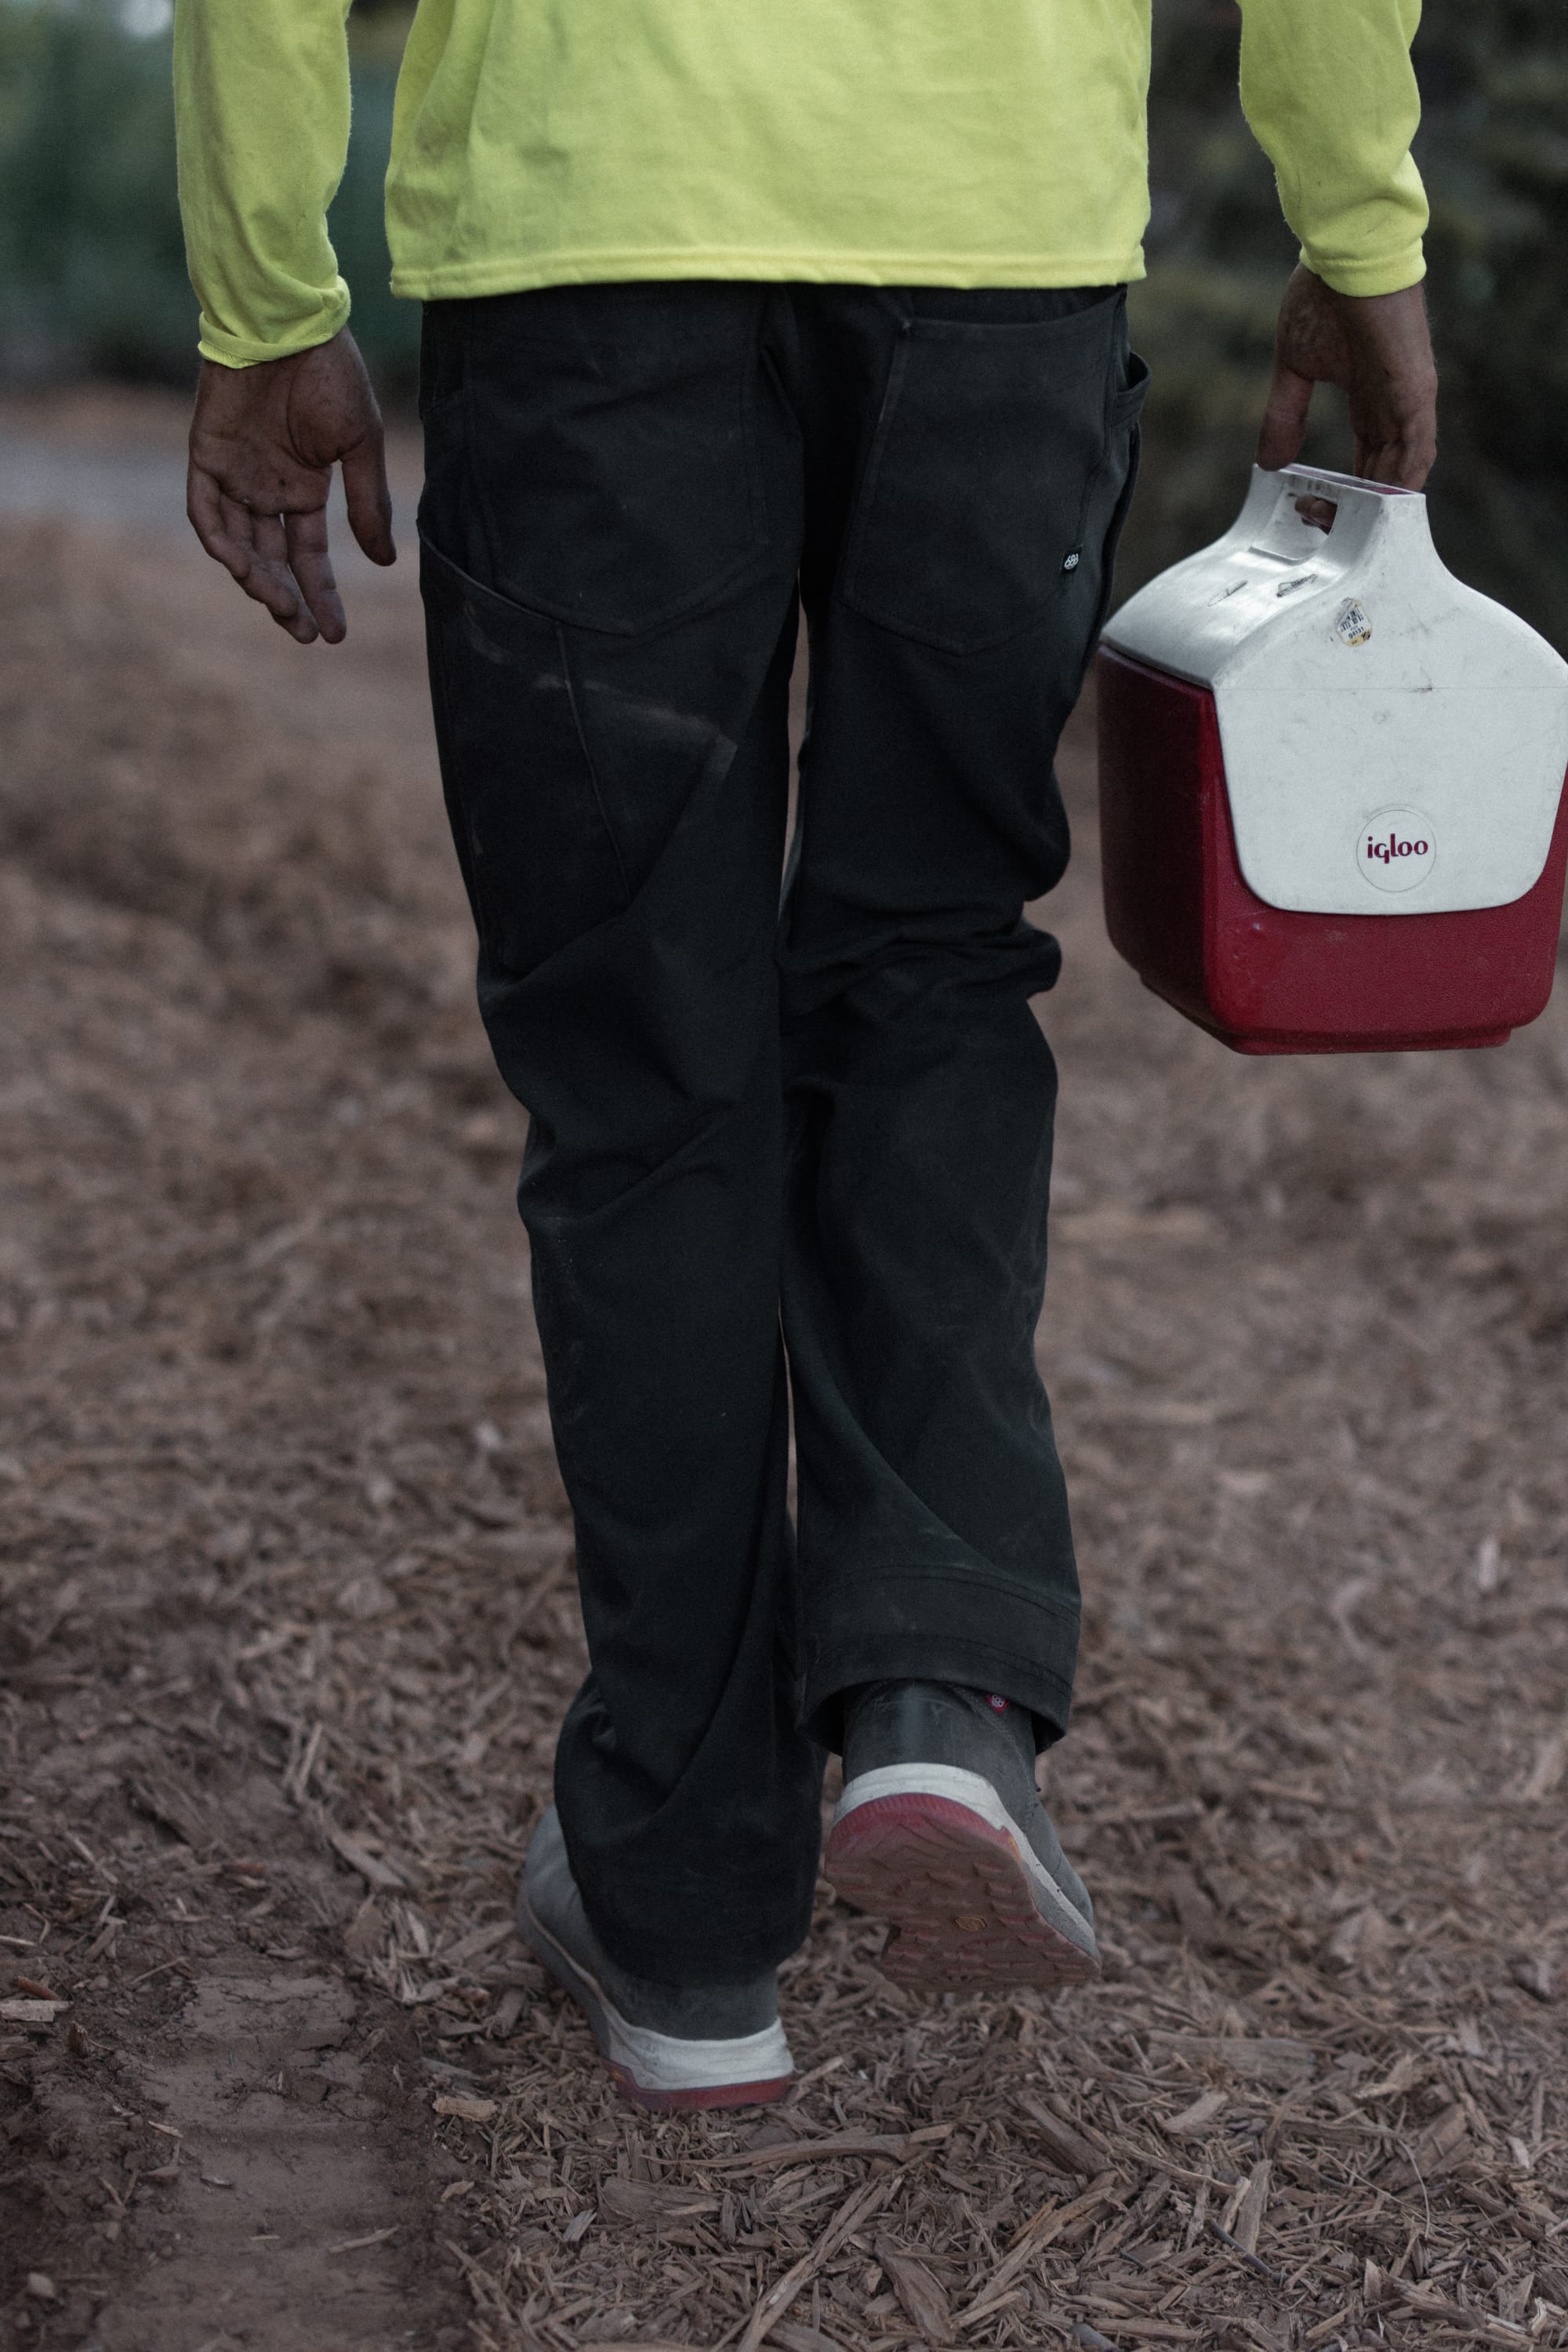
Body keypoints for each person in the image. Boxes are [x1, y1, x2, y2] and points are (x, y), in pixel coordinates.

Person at [174, 0, 1438, 2111]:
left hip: (595, 247)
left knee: (646, 1065)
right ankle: (940, 1692)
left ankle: (683, 1928)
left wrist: (262, 294)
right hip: (994, 241)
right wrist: (1358, 216)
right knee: (931, 970)